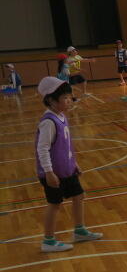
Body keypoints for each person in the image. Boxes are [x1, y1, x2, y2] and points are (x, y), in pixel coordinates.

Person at [35, 77, 103, 253]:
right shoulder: (48, 122)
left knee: (79, 196)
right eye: (65, 98)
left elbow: (65, 146)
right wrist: (49, 172)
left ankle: (79, 231)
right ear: (51, 100)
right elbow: (42, 148)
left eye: (69, 97)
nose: (69, 100)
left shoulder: (62, 117)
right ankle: (48, 241)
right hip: (54, 173)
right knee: (54, 204)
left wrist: (74, 163)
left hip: (67, 170)